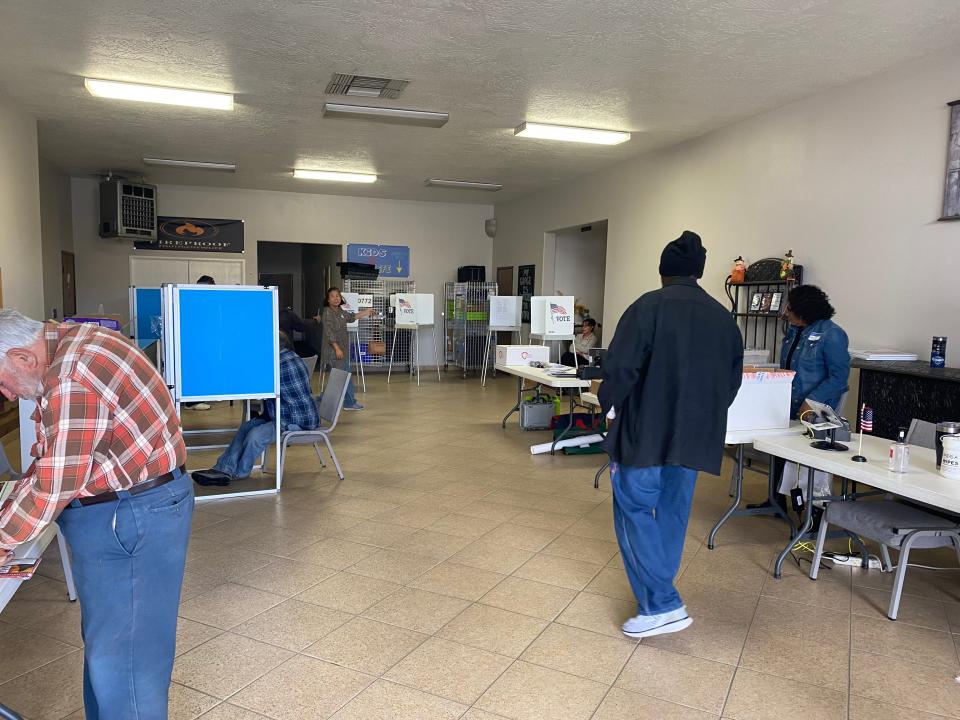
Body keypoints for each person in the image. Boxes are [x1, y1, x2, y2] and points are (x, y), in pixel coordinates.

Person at [0, 309, 190, 718]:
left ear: (21, 358)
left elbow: (55, 482)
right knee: (112, 651)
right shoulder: (75, 340)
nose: (9, 395)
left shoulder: (71, 376)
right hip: (134, 508)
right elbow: (54, 457)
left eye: (3, 382)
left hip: (129, 516)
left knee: (125, 665)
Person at [599, 231, 743, 639]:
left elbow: (621, 369)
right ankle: (656, 600)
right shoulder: (723, 318)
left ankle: (663, 603)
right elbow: (730, 383)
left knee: (633, 508)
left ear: (663, 271)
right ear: (698, 273)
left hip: (646, 431)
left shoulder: (648, 308)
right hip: (696, 436)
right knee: (674, 513)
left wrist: (608, 409)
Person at [747, 285, 850, 513]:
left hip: (815, 409)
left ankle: (815, 511)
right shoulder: (794, 331)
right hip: (788, 402)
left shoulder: (832, 334)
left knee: (810, 459)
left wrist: (811, 401)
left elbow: (839, 377)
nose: (785, 312)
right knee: (778, 449)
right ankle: (776, 501)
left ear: (804, 311)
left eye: (790, 308)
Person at [192, 332, 319, 485]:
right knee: (246, 427)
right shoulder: (285, 357)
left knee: (255, 436)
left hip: (297, 419)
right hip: (282, 413)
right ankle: (224, 468)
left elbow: (256, 384)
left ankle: (239, 473)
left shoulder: (283, 362)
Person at [321, 287, 376, 411]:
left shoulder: (340, 311)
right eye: (332, 296)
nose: (336, 298)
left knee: (343, 376)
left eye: (338, 296)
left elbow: (351, 317)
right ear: (328, 300)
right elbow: (329, 333)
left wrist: (366, 312)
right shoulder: (327, 313)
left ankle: (346, 402)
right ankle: (330, 401)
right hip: (334, 352)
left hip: (342, 350)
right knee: (340, 377)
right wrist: (337, 349)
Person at [185, 274, 216, 410]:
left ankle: (196, 399)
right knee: (197, 370)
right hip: (196, 343)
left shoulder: (198, 299)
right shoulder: (195, 300)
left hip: (204, 341)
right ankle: (192, 402)